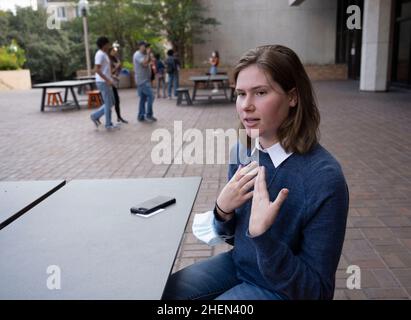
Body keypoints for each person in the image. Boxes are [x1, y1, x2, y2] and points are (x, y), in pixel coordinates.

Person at [162, 45, 349, 300]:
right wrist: (222, 212)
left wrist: (264, 237)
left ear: (292, 97)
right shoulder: (243, 150)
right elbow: (234, 239)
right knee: (166, 293)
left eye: (260, 92)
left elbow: (317, 292)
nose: (246, 106)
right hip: (239, 266)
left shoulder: (324, 179)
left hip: (282, 289)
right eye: (240, 94)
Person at [90, 36, 119, 130]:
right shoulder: (100, 54)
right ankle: (108, 124)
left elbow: (105, 69)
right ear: (104, 45)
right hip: (103, 82)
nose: (109, 45)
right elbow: (97, 70)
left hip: (105, 81)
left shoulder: (104, 54)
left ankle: (95, 116)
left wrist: (112, 76)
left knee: (111, 102)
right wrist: (107, 80)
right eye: (108, 44)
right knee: (108, 103)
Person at [133, 40, 156, 122]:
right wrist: (149, 54)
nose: (146, 47)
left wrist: (149, 56)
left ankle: (141, 116)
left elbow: (150, 62)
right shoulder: (137, 54)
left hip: (146, 79)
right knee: (151, 96)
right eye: (144, 46)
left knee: (143, 98)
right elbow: (144, 62)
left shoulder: (144, 54)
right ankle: (149, 115)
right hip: (142, 80)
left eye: (147, 46)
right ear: (140, 46)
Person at [108, 46, 128, 124]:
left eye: (115, 51)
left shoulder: (115, 59)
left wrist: (119, 66)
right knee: (113, 101)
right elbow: (110, 72)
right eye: (113, 50)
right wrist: (117, 66)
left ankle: (119, 117)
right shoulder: (108, 60)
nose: (114, 52)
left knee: (116, 101)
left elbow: (119, 69)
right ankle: (98, 116)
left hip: (115, 82)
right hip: (111, 82)